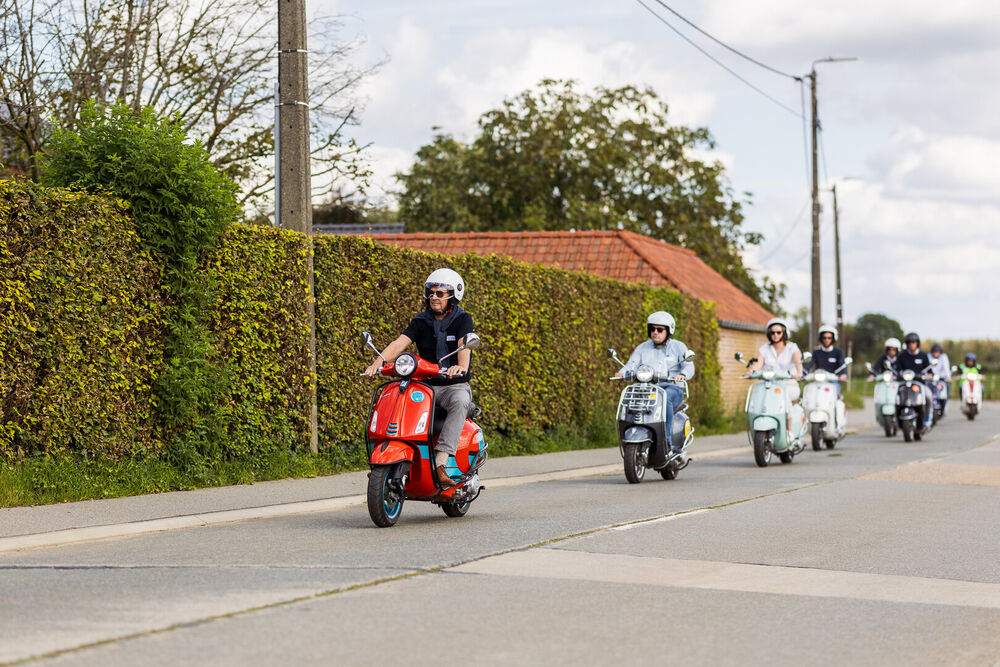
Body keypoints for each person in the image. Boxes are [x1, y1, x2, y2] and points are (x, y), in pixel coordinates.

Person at [363, 268, 475, 487]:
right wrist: (378, 362)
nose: (434, 297)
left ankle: (440, 463)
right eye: (430, 292)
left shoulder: (462, 319)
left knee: (461, 401)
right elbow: (399, 343)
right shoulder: (421, 320)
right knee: (398, 397)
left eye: (440, 293)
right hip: (426, 385)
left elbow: (464, 346)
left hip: (453, 385)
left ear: (453, 295)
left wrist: (460, 367)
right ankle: (393, 459)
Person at [615, 311, 695, 460]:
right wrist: (622, 373)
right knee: (630, 400)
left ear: (669, 330)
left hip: (672, 388)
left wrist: (682, 375)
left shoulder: (678, 347)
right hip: (648, 388)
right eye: (652, 329)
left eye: (659, 330)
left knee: (666, 399)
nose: (655, 333)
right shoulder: (642, 348)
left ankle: (668, 444)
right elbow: (631, 364)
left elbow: (689, 366)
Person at [750, 317, 804, 436]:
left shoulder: (792, 347)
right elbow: (758, 364)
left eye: (778, 332)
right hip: (769, 385)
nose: (775, 335)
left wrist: (799, 372)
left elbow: (797, 362)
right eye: (772, 332)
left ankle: (789, 430)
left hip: (789, 384)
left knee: (784, 395)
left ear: (784, 333)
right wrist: (751, 371)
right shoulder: (765, 348)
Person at [897, 332, 934, 426]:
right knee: (895, 398)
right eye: (909, 342)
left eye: (913, 342)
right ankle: (896, 420)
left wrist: (927, 376)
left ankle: (927, 418)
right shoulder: (902, 356)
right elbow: (897, 370)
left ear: (917, 343)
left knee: (929, 396)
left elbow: (930, 373)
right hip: (905, 384)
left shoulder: (923, 356)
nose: (911, 344)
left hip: (920, 383)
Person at [803, 324, 847, 394]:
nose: (826, 340)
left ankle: (834, 404)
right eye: (824, 338)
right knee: (809, 391)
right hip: (818, 380)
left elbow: (842, 364)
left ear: (833, 338)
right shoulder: (816, 352)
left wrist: (843, 374)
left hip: (833, 380)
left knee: (833, 393)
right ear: (821, 338)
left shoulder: (838, 352)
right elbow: (810, 363)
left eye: (829, 338)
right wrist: (802, 373)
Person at [928, 343, 952, 412]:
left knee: (945, 387)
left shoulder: (943, 357)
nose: (936, 353)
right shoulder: (928, 357)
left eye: (937, 352)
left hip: (941, 379)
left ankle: (945, 403)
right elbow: (926, 368)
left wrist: (948, 376)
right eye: (934, 351)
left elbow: (946, 368)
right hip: (930, 380)